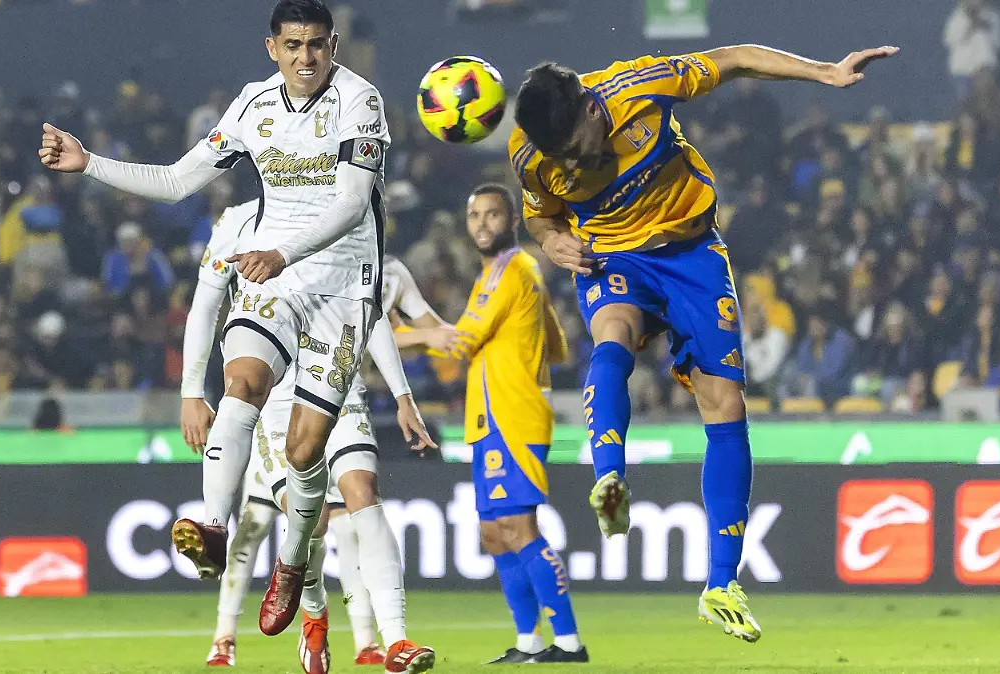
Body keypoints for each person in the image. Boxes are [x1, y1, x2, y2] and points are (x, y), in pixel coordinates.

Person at [39, 2, 435, 669]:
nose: (305, 58)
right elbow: (177, 180)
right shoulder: (253, 105)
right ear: (271, 47)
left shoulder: (360, 101)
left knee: (305, 453)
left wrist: (282, 252)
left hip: (344, 289)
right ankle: (213, 525)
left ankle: (291, 563)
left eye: (316, 45)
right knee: (243, 381)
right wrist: (89, 163)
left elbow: (349, 203)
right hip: (275, 281)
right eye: (293, 45)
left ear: (333, 45)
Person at [509, 42, 899, 643]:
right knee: (613, 334)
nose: (574, 161)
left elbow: (736, 58)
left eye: (577, 145)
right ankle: (609, 479)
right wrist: (550, 240)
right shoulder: (531, 153)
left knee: (726, 403)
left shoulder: (641, 87)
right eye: (560, 156)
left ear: (591, 108)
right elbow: (542, 215)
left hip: (691, 253)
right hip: (614, 255)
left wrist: (823, 72)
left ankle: (721, 586)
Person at [180, 201, 447, 670]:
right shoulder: (237, 222)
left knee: (364, 493)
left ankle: (397, 640)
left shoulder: (344, 211)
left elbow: (368, 314)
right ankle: (314, 615)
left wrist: (403, 396)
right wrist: (191, 392)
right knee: (313, 521)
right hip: (277, 399)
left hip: (338, 381)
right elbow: (206, 302)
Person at [425, 184, 585, 664]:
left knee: (518, 527)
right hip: (489, 417)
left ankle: (569, 643)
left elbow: (462, 341)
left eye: (492, 214)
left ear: (513, 221)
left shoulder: (511, 269)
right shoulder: (512, 274)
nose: (481, 223)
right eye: (474, 215)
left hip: (510, 415)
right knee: (494, 534)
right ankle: (528, 641)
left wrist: (400, 331)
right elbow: (558, 346)